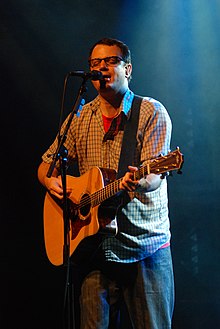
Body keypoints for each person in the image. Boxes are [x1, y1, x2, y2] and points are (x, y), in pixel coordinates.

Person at [37, 37, 174, 329]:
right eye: (95, 64)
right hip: (95, 248)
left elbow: (153, 177)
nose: (102, 68)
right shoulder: (80, 117)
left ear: (128, 69)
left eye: (111, 61)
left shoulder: (150, 113)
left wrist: (136, 183)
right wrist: (51, 184)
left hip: (144, 249)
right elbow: (46, 166)